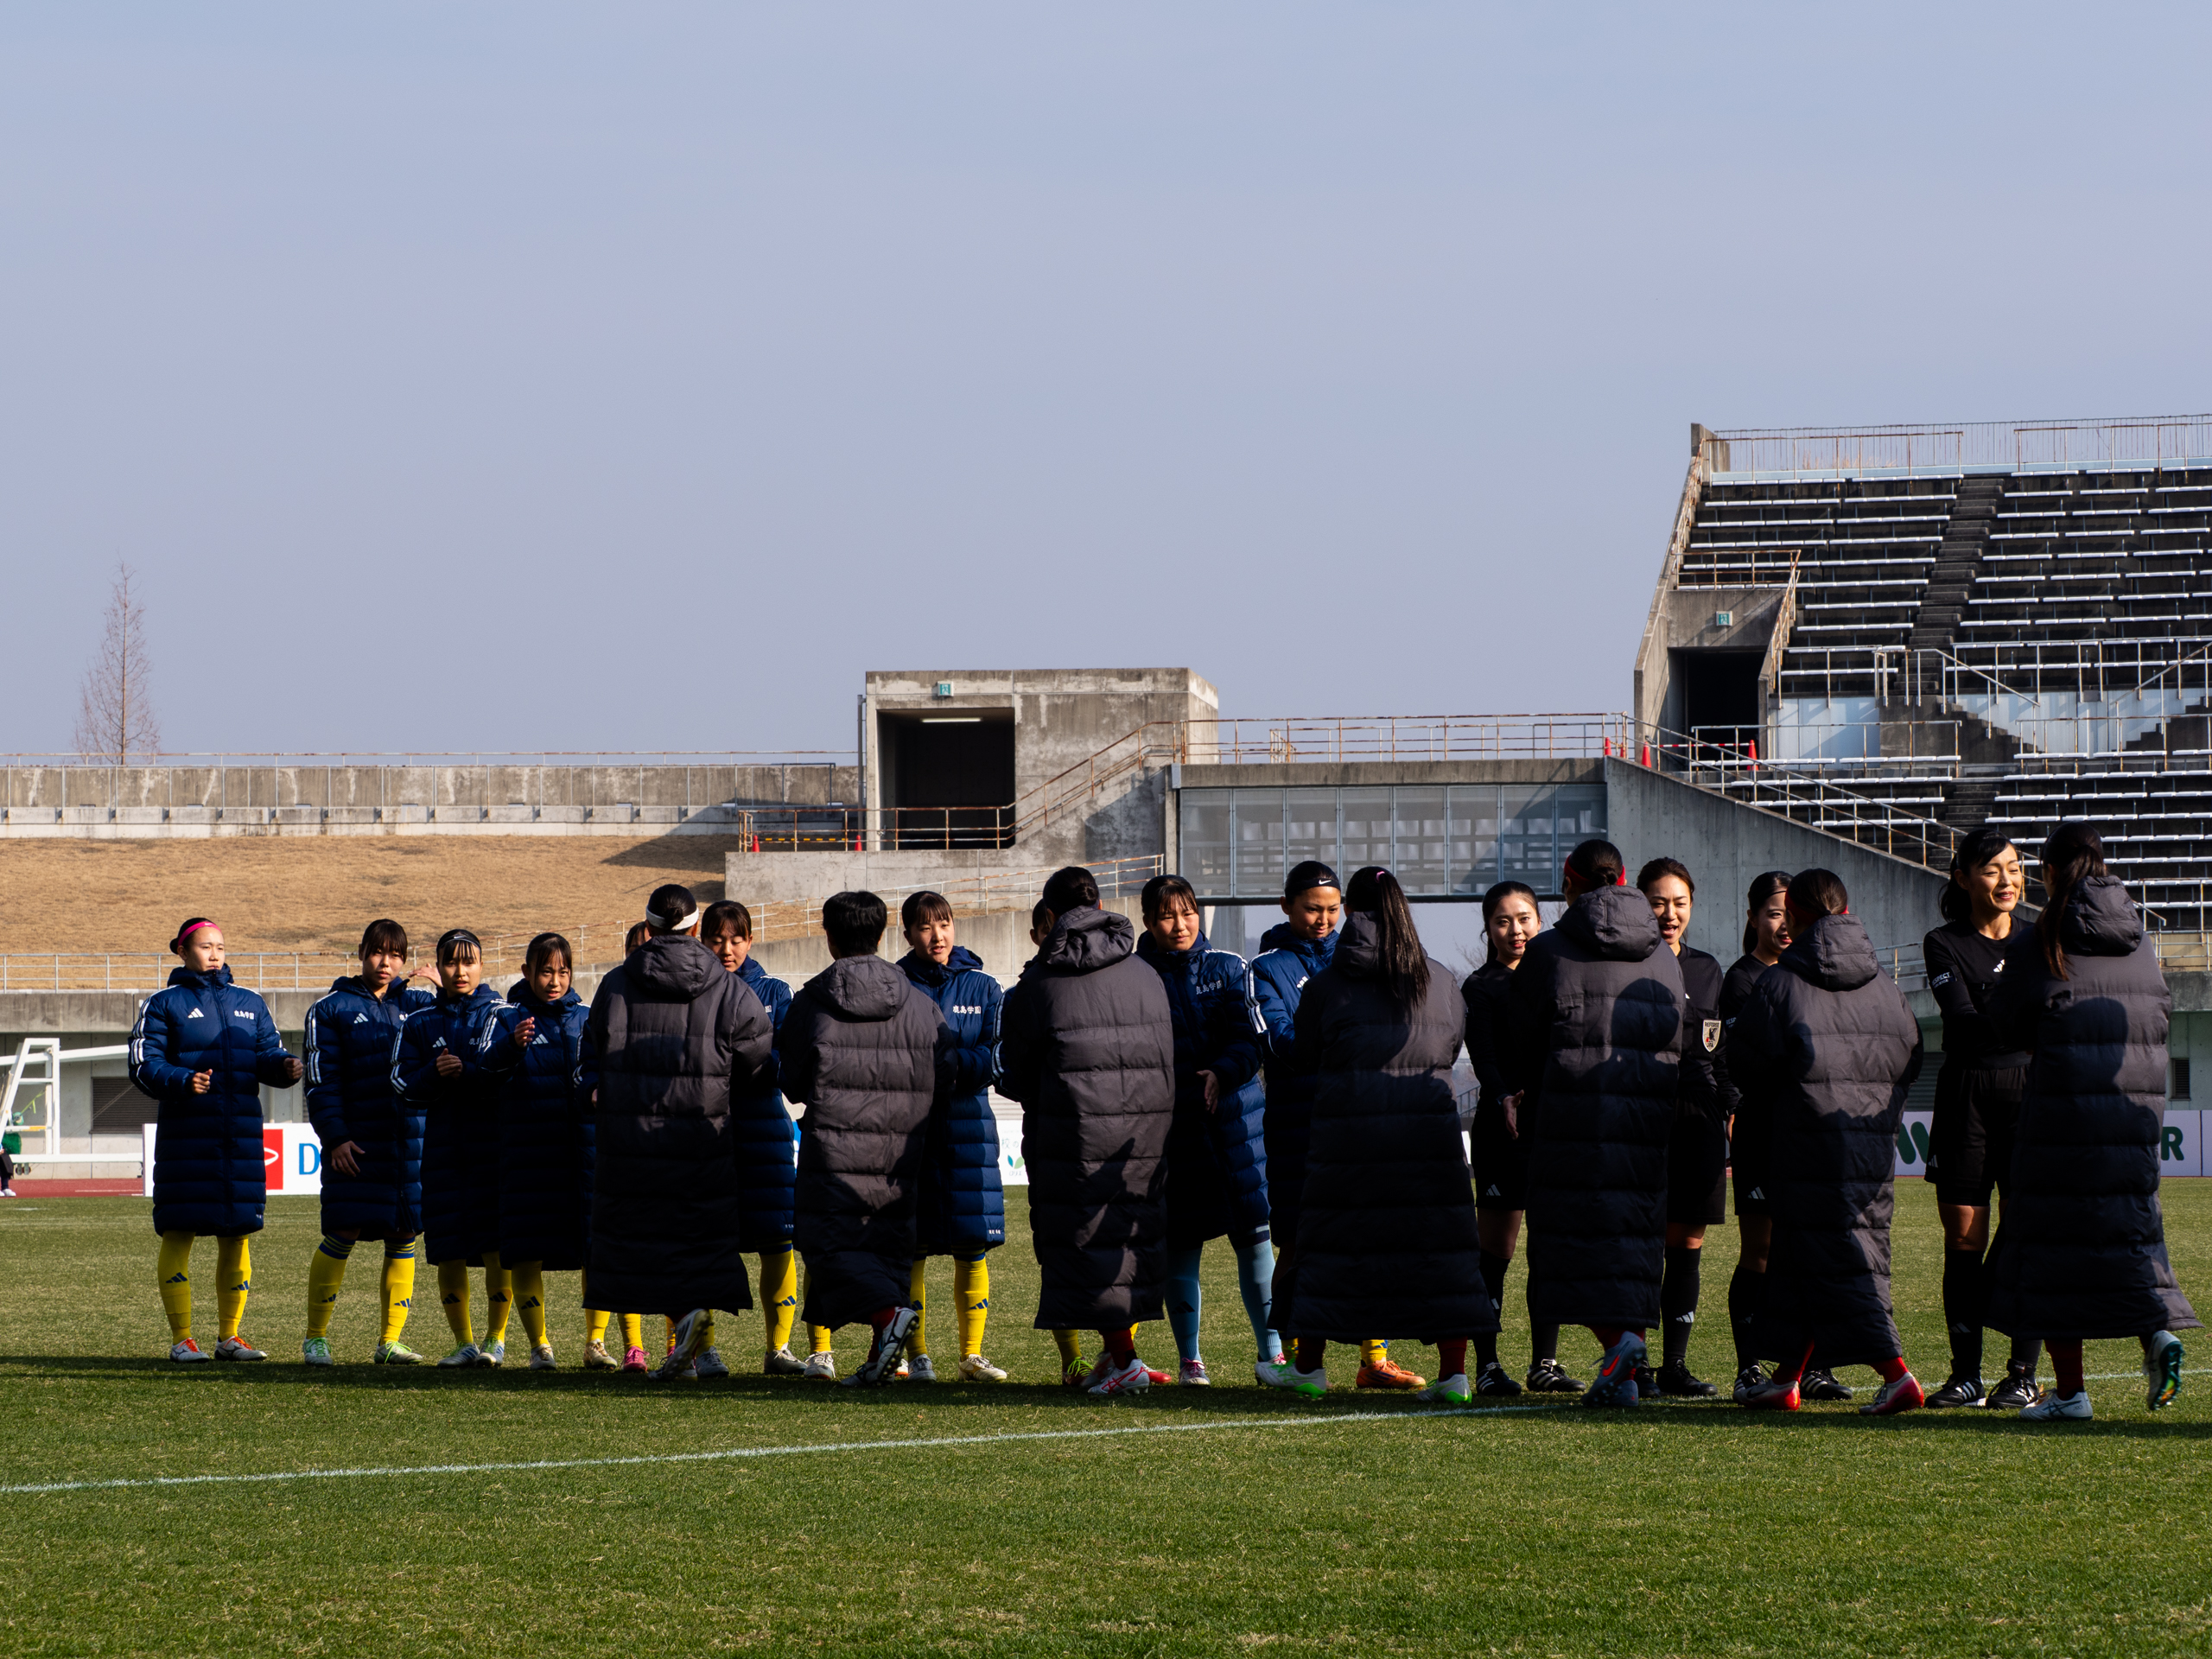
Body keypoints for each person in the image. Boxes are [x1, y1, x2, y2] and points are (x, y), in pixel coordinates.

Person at [1986, 824, 2199, 1421]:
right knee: (2128, 1237)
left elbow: (2004, 1023)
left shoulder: (2045, 937)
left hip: (2060, 1118)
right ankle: (2156, 1333)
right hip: (2134, 1116)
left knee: (2054, 1253)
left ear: (2049, 873)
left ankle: (2070, 1393)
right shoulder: (2139, 938)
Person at [1274, 868, 1496, 1402]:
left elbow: (1303, 1053)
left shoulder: (1328, 985)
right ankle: (1454, 1375)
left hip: (1347, 1144)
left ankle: (1310, 1368)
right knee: (1443, 1253)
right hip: (1429, 1141)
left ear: (1350, 910)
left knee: (1332, 1248)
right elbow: (1450, 1047)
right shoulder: (1440, 979)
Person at [1732, 869, 1927, 1414]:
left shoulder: (1779, 983)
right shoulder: (1886, 986)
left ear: (1794, 915)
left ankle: (1896, 1374)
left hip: (1804, 1143)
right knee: (1809, 1258)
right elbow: (1912, 1058)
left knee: (1834, 1259)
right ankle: (1786, 1378)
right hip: (1870, 1145)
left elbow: (1745, 1064)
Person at [1510, 838, 1686, 1407]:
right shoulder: (1662, 954)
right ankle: (1625, 1378)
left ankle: (1620, 1343)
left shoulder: (1548, 951)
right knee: (1633, 1244)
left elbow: (1522, 1039)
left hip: (1570, 1120)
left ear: (1570, 886)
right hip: (1646, 1123)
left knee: (1567, 1246)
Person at [998, 865, 1176, 1397]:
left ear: (1051, 915)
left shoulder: (1040, 983)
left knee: (1084, 1243)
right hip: (1143, 1134)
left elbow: (1014, 1070)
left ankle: (1125, 1360)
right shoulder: (1144, 971)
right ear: (1099, 906)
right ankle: (1115, 1354)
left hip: (1072, 1135)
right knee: (1122, 1243)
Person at [587, 883, 775, 1380]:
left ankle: (680, 1339)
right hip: (701, 1136)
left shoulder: (616, 984)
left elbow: (591, 1054)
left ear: (648, 929)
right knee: (696, 1239)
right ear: (696, 929)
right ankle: (691, 1330)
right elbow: (757, 1055)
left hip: (630, 1141)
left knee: (642, 1238)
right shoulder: (729, 987)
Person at [1251, 861, 1423, 1391]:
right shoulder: (1265, 967)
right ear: (1286, 906)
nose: (1323, 920)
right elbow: (1279, 1043)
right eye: (1311, 909)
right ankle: (1293, 1359)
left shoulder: (1365, 961)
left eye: (1332, 910)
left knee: (1368, 1239)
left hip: (1360, 1123)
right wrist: (1347, 1048)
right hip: (1297, 1126)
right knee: (1298, 1243)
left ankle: (1375, 1359)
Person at [779, 890, 943, 1388]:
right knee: (889, 1248)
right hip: (902, 1152)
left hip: (835, 1149)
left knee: (828, 1246)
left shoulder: (812, 1002)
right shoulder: (919, 1002)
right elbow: (946, 1068)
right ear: (882, 934)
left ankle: (887, 1318)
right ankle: (880, 1356)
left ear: (829, 938)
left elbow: (792, 1082)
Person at [128, 918, 302, 1363]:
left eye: (221, 947)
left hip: (239, 1140)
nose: (215, 954)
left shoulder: (250, 1002)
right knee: (178, 1231)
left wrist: (283, 1067)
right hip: (186, 1142)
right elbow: (143, 1064)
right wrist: (183, 1080)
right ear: (182, 951)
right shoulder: (162, 1004)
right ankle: (182, 1339)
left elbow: (266, 1054)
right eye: (206, 946)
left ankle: (230, 1337)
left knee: (237, 1234)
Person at [1134, 874, 1281, 1388]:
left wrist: (1222, 1071)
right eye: (1167, 916)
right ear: (1148, 922)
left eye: (1189, 912)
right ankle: (1190, 1360)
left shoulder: (1230, 967)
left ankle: (1271, 1355)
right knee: (1182, 1248)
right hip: (1174, 1133)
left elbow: (1250, 1039)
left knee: (1256, 1241)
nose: (1181, 925)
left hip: (1239, 1125)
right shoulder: (1136, 977)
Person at [1921, 828, 2044, 1411]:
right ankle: (1965, 1375)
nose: (2007, 880)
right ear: (1964, 878)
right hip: (1965, 1094)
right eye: (1993, 869)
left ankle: (2023, 1374)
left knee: (2026, 1233)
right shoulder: (1942, 942)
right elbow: (1962, 1022)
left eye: (2014, 868)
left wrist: (2005, 1016)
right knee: (1964, 1238)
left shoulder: (2040, 940)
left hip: (2028, 1094)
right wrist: (2021, 1019)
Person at [1718, 873, 1853, 1403]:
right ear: (1754, 918)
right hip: (1762, 1131)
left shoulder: (1815, 975)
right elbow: (1740, 1060)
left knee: (1810, 1250)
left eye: (1787, 913)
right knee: (1763, 1249)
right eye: (1772, 913)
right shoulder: (1742, 980)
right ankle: (1749, 1366)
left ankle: (1813, 1366)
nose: (1782, 924)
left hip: (1811, 1132)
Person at [479, 932, 620, 1371]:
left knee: (595, 1248)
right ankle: (539, 1345)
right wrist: (511, 1045)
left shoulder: (587, 1017)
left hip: (584, 1154)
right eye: (545, 971)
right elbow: (482, 1070)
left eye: (563, 972)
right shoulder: (505, 1018)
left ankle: (596, 1342)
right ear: (526, 973)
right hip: (528, 1155)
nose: (554, 981)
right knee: (527, 1249)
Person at [301, 919, 438, 1365]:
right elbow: (321, 1082)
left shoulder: (420, 1004)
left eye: (396, 955)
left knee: (403, 1233)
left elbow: (467, 1021)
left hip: (408, 1144)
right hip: (356, 1144)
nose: (386, 962)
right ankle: (315, 1338)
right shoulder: (330, 1009)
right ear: (361, 952)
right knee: (343, 1231)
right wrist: (336, 1137)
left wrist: (442, 988)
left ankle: (390, 1341)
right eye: (378, 952)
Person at [1461, 879, 1578, 1397]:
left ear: (1540, 920)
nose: (1516, 929)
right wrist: (1505, 1095)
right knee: (1496, 1250)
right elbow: (1484, 1057)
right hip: (1501, 1130)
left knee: (1548, 1248)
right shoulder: (1480, 986)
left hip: (1552, 1127)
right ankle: (1488, 1365)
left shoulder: (1557, 976)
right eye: (1503, 921)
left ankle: (1544, 1363)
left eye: (1524, 918)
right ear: (1488, 928)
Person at [896, 891, 1011, 1383]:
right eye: (925, 927)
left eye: (944, 924)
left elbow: (997, 1055)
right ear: (907, 934)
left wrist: (945, 1065)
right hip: (910, 1132)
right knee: (913, 1246)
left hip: (970, 1129)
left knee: (972, 1244)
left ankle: (971, 1354)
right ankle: (916, 1354)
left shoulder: (985, 986)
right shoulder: (895, 984)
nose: (937, 936)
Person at [1637, 857, 1735, 1398]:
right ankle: (1633, 1364)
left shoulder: (1708, 969)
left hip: (1699, 1117)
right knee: (1642, 1241)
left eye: (1679, 903)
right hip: (1643, 1112)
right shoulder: (1627, 964)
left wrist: (1730, 1106)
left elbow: (1716, 1052)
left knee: (1686, 1242)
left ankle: (1673, 1366)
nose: (1669, 914)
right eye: (1658, 902)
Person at [698, 899, 806, 1379]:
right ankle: (702, 1349)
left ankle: (778, 1348)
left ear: (750, 940)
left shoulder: (775, 991)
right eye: (717, 939)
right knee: (703, 1239)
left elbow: (787, 1058)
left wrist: (745, 1062)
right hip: (705, 1132)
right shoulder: (690, 990)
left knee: (777, 1239)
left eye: (736, 938)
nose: (727, 948)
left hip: (765, 1130)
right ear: (702, 941)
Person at [394, 930, 509, 1368]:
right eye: (451, 962)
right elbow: (401, 1084)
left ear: (482, 966)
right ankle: (464, 1343)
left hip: (494, 1148)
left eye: (469, 962)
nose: (460, 971)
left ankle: (496, 1340)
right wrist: (433, 1073)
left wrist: (472, 1071)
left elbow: (513, 1075)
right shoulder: (419, 1023)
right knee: (449, 1248)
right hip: (442, 1150)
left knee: (496, 1247)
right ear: (438, 967)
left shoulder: (502, 1014)